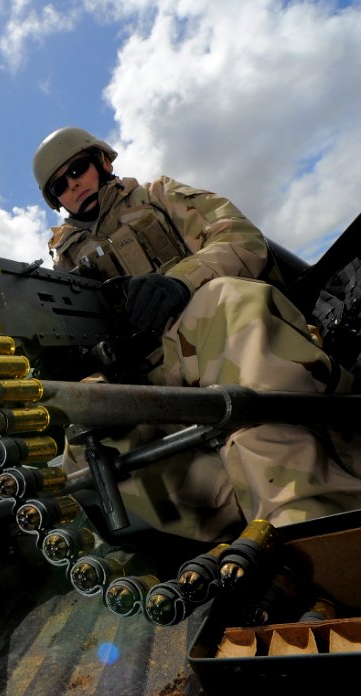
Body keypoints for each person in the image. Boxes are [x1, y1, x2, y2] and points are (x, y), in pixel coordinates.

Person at [32, 126, 361, 542]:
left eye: (78, 169)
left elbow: (241, 238)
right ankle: (249, 515)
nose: (73, 184)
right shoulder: (66, 272)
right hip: (147, 379)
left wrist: (181, 282)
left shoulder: (157, 195)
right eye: (60, 185)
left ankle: (311, 510)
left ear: (103, 162)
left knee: (223, 300)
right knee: (83, 426)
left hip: (210, 337)